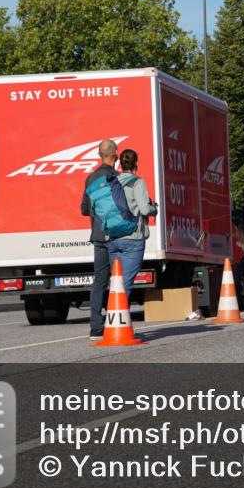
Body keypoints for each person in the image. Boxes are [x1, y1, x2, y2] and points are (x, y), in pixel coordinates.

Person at [81, 139, 118, 340]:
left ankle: (95, 326)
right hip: (117, 235)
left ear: (99, 154)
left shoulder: (91, 178)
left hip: (98, 235)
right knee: (119, 279)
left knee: (99, 281)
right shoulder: (117, 177)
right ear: (116, 154)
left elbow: (84, 209)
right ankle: (118, 320)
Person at [108, 149, 157, 299]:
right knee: (126, 283)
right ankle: (119, 319)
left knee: (116, 282)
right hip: (133, 237)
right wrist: (153, 208)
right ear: (136, 163)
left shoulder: (112, 182)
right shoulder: (137, 182)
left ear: (120, 164)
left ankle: (113, 316)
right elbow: (144, 208)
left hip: (113, 238)